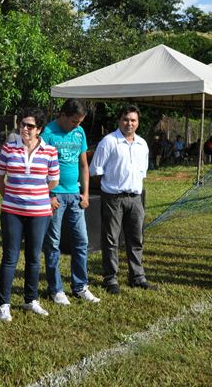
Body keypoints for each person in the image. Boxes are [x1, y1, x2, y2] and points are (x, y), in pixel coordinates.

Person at [0, 108, 59, 322]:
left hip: (40, 212)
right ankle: (3, 303)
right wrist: (11, 196)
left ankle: (30, 300)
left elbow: (53, 181)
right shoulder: (8, 148)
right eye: (22, 124)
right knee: (10, 257)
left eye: (30, 126)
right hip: (12, 211)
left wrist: (36, 195)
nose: (25, 129)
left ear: (39, 129)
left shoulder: (50, 151)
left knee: (33, 258)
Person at [89, 105, 156, 295]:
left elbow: (142, 172)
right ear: (120, 121)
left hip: (135, 199)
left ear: (138, 122)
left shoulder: (142, 144)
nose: (129, 123)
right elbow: (95, 170)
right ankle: (111, 279)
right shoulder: (109, 141)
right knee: (111, 240)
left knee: (136, 239)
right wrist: (110, 187)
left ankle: (137, 277)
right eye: (126, 119)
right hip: (113, 198)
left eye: (133, 120)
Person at [41, 99, 100, 305]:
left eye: (80, 121)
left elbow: (83, 164)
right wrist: (49, 195)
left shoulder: (79, 132)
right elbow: (40, 167)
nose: (77, 125)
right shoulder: (48, 132)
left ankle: (80, 286)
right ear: (63, 115)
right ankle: (56, 289)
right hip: (55, 196)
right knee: (53, 244)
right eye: (74, 121)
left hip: (75, 195)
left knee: (81, 241)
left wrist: (85, 192)